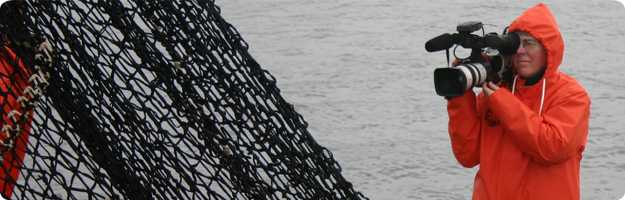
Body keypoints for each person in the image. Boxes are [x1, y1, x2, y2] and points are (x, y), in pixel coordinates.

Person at [446, 3, 590, 200]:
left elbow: (551, 148)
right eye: (516, 44)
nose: (521, 51)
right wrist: (459, 95)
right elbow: (467, 155)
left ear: (548, 49)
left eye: (529, 43)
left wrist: (502, 102)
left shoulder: (571, 95)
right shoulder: (496, 91)